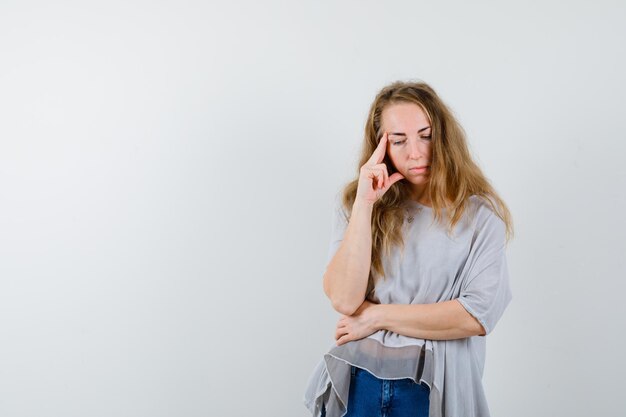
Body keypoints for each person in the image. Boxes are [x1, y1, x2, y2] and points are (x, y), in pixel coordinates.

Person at [303, 80, 514, 417]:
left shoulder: (478, 216)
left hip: (430, 389)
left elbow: (475, 315)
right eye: (398, 141)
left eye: (425, 135)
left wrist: (375, 316)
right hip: (361, 382)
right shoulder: (358, 206)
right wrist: (365, 203)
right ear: (380, 147)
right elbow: (343, 299)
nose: (414, 152)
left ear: (443, 136)